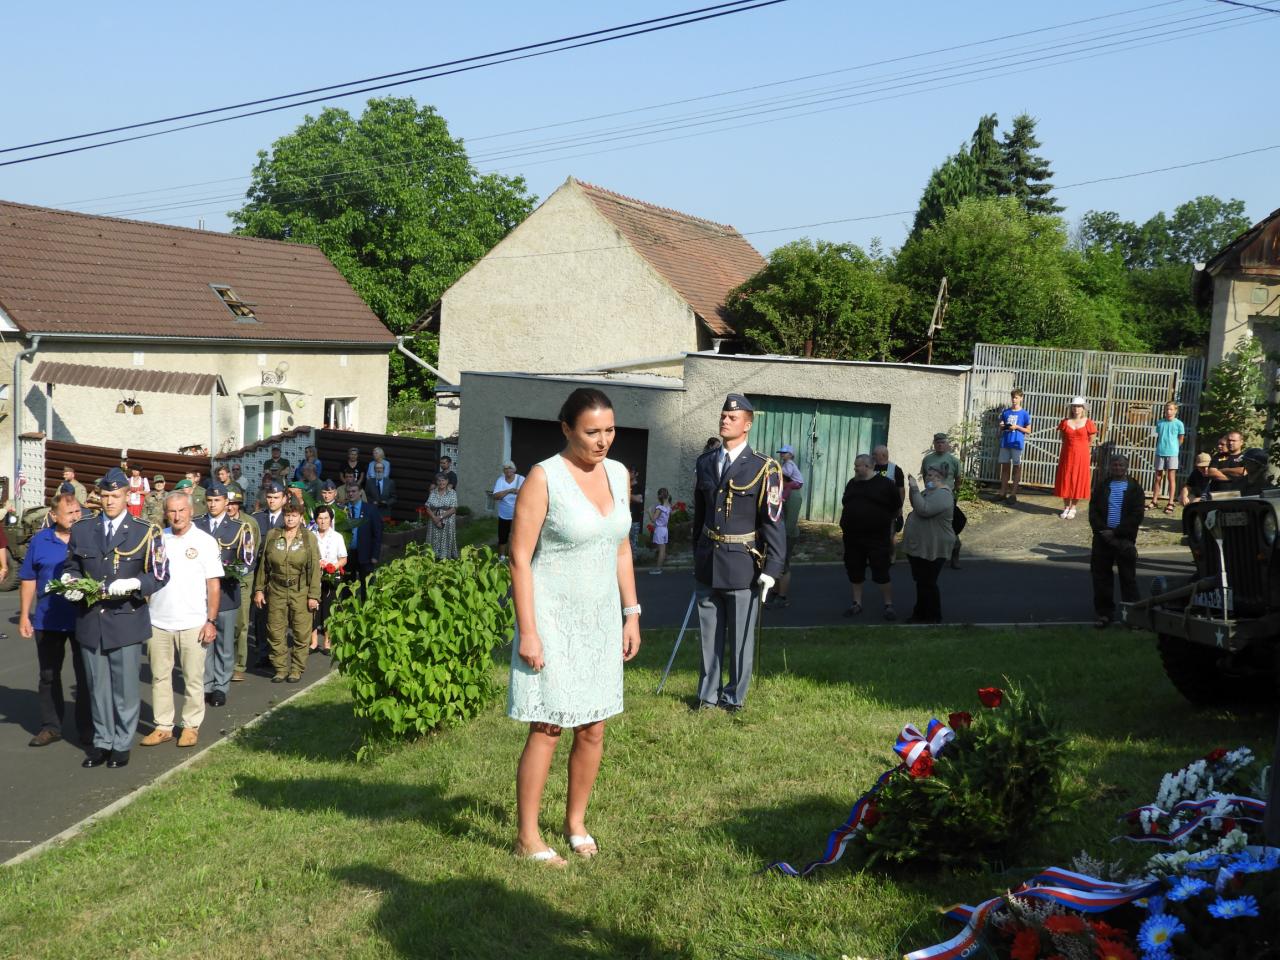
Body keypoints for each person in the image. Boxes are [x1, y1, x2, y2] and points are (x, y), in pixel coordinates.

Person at [507, 387, 640, 866]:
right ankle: (527, 836)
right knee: (548, 725)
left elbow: (620, 547)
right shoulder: (544, 478)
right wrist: (529, 631)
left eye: (610, 430)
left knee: (593, 727)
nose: (603, 441)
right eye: (592, 432)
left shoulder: (618, 473)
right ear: (567, 429)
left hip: (600, 621)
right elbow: (519, 558)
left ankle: (575, 823)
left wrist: (631, 612)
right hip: (552, 620)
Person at [66, 467, 169, 769]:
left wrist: (136, 583)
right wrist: (70, 581)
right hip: (90, 619)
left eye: (116, 496)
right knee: (96, 687)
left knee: (124, 688)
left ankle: (122, 744)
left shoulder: (145, 530)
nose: (110, 501)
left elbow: (160, 573)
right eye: (105, 496)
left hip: (126, 618)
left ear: (127, 496)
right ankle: (102, 742)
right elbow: (71, 565)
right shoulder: (83, 528)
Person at [692, 394, 786, 712]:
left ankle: (733, 697)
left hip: (742, 562)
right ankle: (707, 696)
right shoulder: (705, 462)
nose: (725, 420)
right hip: (709, 560)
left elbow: (773, 520)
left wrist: (772, 569)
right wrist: (697, 555)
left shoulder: (764, 467)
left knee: (741, 638)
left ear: (747, 425)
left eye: (732, 418)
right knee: (709, 635)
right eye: (723, 415)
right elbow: (700, 515)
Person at [138, 492, 222, 749]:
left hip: (193, 622)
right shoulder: (157, 540)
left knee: (193, 678)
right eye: (172, 511)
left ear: (191, 511)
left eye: (181, 510)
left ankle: (190, 725)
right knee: (159, 677)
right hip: (158, 621)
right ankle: (163, 726)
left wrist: (211, 620)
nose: (177, 516)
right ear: (166, 513)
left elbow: (213, 585)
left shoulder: (205, 541)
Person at [19, 493, 91, 747]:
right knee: (48, 675)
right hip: (48, 620)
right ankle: (51, 726)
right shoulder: (40, 541)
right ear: (54, 516)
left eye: (77, 511)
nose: (75, 517)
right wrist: (24, 615)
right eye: (69, 513)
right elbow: (29, 578)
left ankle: (87, 728)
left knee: (86, 675)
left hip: (83, 618)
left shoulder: (89, 537)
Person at [194, 483, 253, 708]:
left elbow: (248, 560)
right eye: (209, 500)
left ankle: (221, 686)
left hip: (227, 592)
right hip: (201, 594)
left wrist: (231, 571)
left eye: (217, 500)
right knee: (204, 642)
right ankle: (206, 684)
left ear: (226, 502)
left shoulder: (239, 527)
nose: (212, 504)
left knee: (224, 644)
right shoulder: (196, 525)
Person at [253, 501, 321, 683]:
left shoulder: (308, 538)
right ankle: (281, 668)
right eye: (287, 515)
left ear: (300, 517)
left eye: (294, 515)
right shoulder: (273, 535)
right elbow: (263, 566)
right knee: (275, 630)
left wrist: (314, 596)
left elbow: (315, 569)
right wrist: (259, 589)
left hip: (301, 590)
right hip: (276, 589)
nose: (290, 519)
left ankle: (297, 669)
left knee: (301, 632)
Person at [839, 454, 899, 620]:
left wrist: (884, 522)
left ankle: (888, 605)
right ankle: (856, 603)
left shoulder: (886, 484)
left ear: (868, 466)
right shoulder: (852, 483)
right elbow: (846, 502)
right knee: (854, 570)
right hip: (852, 537)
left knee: (881, 571)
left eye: (857, 466)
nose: (855, 468)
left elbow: (896, 508)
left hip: (877, 537)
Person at [1088, 454, 1144, 629]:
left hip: (1124, 539)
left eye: (1121, 465)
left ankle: (1133, 617)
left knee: (1128, 579)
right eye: (1114, 465)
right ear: (1110, 467)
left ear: (1126, 467)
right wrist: (1102, 530)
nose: (1117, 468)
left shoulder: (1135, 488)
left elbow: (1137, 515)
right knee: (1101, 578)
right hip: (1102, 538)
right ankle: (1104, 614)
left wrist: (1116, 532)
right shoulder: (1102, 486)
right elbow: (1093, 510)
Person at [903, 466, 955, 624]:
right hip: (922, 545)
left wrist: (914, 487)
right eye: (927, 474)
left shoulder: (943, 494)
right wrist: (913, 490)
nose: (928, 477)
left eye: (932, 475)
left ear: (940, 477)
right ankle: (920, 614)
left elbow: (924, 510)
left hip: (935, 546)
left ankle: (933, 617)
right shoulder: (929, 492)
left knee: (928, 582)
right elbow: (916, 504)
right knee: (922, 581)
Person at [251, 482, 287, 670]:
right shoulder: (257, 518)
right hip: (260, 574)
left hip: (280, 574)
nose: (272, 501)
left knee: (279, 616)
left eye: (276, 497)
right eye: (270, 497)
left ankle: (277, 653)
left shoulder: (289, 518)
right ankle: (262, 652)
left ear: (284, 499)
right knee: (260, 615)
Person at [226, 487, 260, 682]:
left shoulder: (250, 523)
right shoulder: (218, 522)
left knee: (241, 623)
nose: (230, 507)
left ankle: (239, 664)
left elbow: (253, 552)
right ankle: (222, 663)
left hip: (243, 578)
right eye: (228, 503)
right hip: (220, 578)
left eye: (234, 504)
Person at [921, 432, 965, 568]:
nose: (940, 445)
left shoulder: (953, 461)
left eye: (942, 442)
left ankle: (955, 551)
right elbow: (926, 477)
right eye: (937, 442)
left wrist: (954, 495)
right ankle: (930, 555)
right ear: (934, 444)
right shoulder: (927, 459)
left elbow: (958, 479)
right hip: (931, 497)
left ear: (947, 444)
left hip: (947, 498)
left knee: (949, 526)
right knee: (930, 525)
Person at [770, 444, 805, 609]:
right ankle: (775, 591)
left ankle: (782, 596)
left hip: (786, 536)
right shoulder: (781, 489)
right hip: (777, 535)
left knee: (783, 565)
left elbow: (790, 521)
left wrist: (782, 537)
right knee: (775, 564)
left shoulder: (793, 494)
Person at [310, 505, 346, 655]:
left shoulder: (337, 537)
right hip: (313, 578)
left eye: (326, 518)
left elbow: (343, 558)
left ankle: (327, 642)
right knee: (313, 610)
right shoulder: (310, 535)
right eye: (320, 518)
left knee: (328, 610)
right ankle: (313, 642)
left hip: (331, 577)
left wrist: (332, 567)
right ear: (316, 520)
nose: (323, 521)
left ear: (331, 519)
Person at [1053, 398, 1097, 520]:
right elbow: (1063, 438)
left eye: (1079, 406)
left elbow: (1091, 439)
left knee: (1078, 479)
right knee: (1066, 478)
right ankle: (1066, 506)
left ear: (1083, 408)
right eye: (1074, 406)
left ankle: (1073, 507)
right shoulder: (1065, 422)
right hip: (1067, 455)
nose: (1076, 408)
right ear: (1071, 408)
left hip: (1082, 455)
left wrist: (1083, 449)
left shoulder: (1088, 422)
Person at [1150, 402, 1186, 514]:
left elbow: (1181, 438)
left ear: (1175, 411)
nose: (1168, 412)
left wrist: (1174, 448)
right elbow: (1156, 435)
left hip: (1172, 454)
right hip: (1160, 452)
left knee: (1171, 478)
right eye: (1167, 409)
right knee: (1158, 478)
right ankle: (1154, 501)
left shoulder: (1179, 424)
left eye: (1171, 409)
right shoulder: (1159, 422)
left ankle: (1170, 502)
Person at [997, 388, 1032, 503]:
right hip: (1005, 442)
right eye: (1013, 397)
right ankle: (1002, 493)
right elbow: (1001, 427)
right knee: (1005, 468)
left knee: (1017, 468)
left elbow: (1028, 430)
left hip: (1017, 443)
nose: (1014, 400)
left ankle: (1013, 494)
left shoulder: (1024, 413)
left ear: (1021, 398)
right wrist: (1001, 426)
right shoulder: (1006, 412)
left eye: (1016, 397)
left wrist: (1017, 427)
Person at [871, 445, 906, 543]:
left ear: (883, 455)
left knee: (889, 536)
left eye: (875, 454)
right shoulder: (870, 467)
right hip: (872, 508)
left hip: (889, 509)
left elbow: (901, 490)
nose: (872, 456)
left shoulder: (896, 469)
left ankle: (890, 552)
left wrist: (899, 508)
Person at [490, 461, 524, 559]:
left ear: (514, 469)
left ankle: (515, 556)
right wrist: (509, 490)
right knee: (503, 537)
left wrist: (519, 492)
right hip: (504, 514)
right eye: (505, 468)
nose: (508, 470)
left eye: (510, 468)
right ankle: (502, 557)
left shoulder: (521, 479)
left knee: (516, 536)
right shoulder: (500, 480)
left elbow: (528, 493)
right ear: (503, 471)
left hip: (517, 514)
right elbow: (495, 496)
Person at [426, 471, 459, 560]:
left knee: (445, 537)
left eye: (443, 480)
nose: (441, 483)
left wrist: (440, 517)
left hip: (447, 520)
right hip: (433, 519)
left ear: (447, 481)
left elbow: (453, 509)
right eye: (439, 480)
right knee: (434, 537)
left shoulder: (452, 492)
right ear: (436, 482)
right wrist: (434, 518)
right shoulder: (433, 492)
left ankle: (445, 555)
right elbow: (427, 507)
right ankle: (433, 554)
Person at [649, 488, 672, 575]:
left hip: (659, 529)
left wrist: (649, 512)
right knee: (662, 549)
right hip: (665, 529)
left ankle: (658, 569)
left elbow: (653, 519)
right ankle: (659, 567)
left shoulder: (660, 508)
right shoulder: (668, 506)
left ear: (659, 497)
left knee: (661, 550)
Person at [628, 466, 644, 552]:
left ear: (636, 474)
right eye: (628, 471)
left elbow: (639, 499)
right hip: (624, 518)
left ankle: (633, 559)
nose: (629, 473)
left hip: (634, 519)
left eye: (631, 471)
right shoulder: (624, 485)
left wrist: (626, 493)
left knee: (633, 543)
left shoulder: (639, 486)